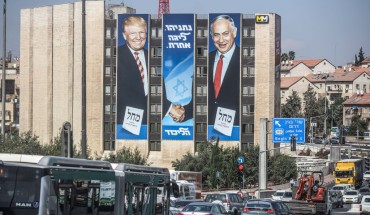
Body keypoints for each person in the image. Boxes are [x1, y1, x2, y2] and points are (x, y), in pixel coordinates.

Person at [117, 16, 149, 132]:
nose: (138, 37)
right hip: (124, 122)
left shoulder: (153, 57)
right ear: (125, 35)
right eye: (133, 33)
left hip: (150, 120)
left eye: (141, 32)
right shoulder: (116, 56)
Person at [208, 15, 240, 127]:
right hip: (208, 130)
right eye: (217, 35)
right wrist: (184, 114)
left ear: (234, 32)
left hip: (237, 130)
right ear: (212, 36)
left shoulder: (247, 60)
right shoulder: (204, 61)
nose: (221, 40)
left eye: (225, 34)